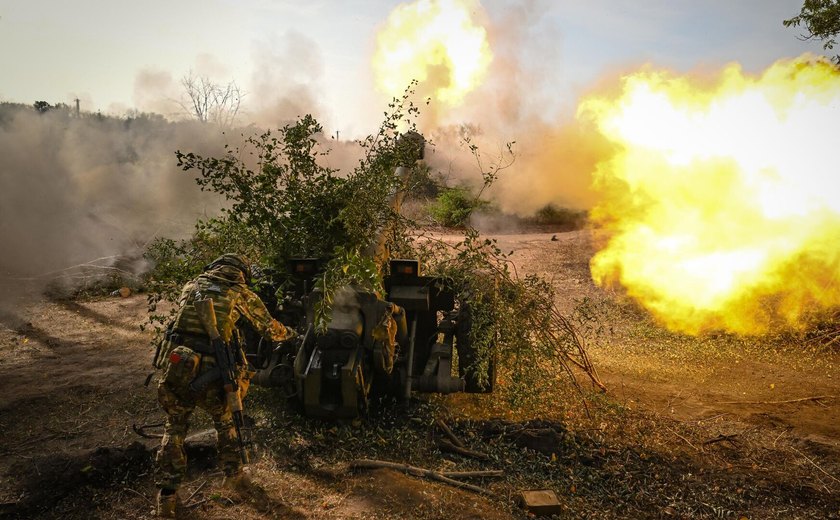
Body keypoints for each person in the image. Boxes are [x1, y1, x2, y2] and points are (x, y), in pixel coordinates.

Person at [154, 253, 292, 517]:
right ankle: (234, 476)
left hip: (180, 368)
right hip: (214, 372)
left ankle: (167, 496)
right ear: (241, 274)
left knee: (175, 427)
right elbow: (270, 330)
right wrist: (291, 334)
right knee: (226, 420)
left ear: (214, 268)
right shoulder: (239, 293)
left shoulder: (191, 286)